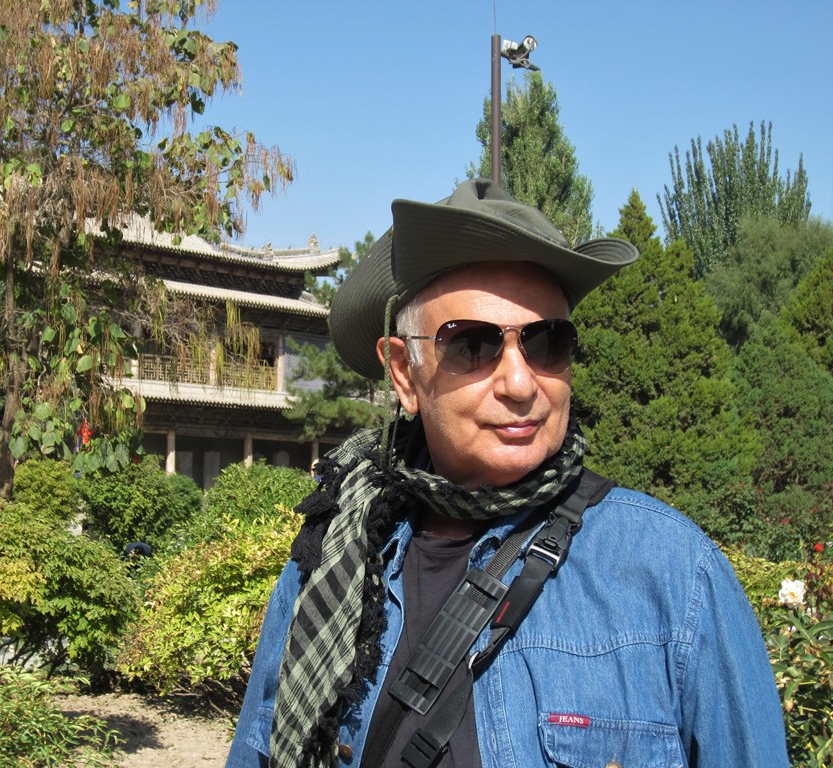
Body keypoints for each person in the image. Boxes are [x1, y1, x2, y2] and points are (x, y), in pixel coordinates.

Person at [225, 179, 788, 768]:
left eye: (547, 342)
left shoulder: (673, 574)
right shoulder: (330, 562)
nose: (521, 384)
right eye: (472, 344)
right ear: (403, 374)